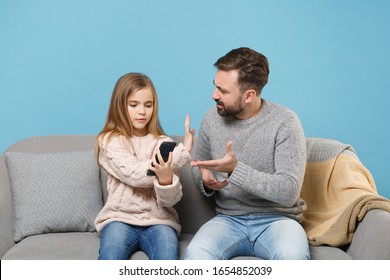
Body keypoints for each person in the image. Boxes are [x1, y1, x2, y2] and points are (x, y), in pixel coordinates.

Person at [184, 47, 310, 260]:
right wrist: (205, 180)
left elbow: (288, 192)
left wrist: (235, 170)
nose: (214, 95)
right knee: (196, 253)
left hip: (277, 220)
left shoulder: (286, 122)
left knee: (292, 256)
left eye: (223, 91)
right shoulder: (211, 118)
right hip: (228, 219)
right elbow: (202, 167)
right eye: (216, 87)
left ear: (249, 95)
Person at [95, 72, 195, 260]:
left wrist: (165, 181)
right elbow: (135, 174)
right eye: (134, 105)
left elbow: (170, 201)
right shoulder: (110, 141)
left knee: (167, 258)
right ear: (120, 105)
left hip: (160, 221)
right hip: (120, 219)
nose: (142, 111)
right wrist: (181, 154)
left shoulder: (163, 143)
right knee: (110, 257)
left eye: (148, 105)